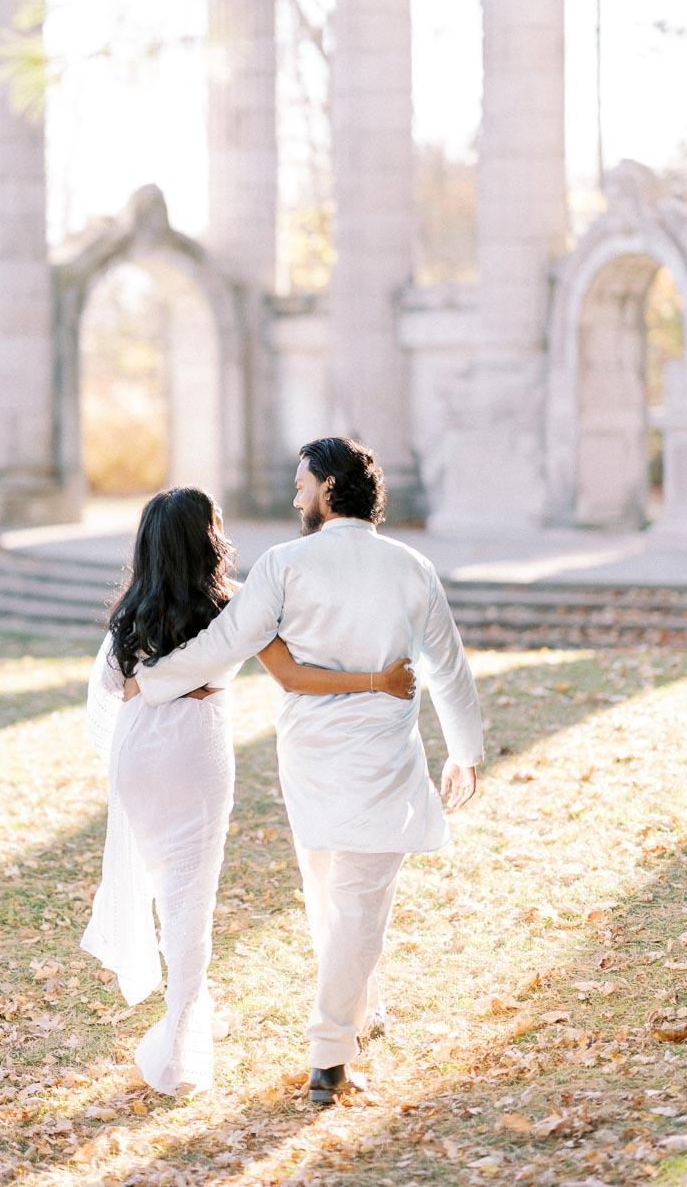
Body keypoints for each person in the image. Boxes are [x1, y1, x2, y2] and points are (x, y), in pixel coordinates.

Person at [133, 439, 484, 1105]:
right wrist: (465, 751)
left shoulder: (285, 564)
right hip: (374, 761)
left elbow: (224, 642)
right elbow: (449, 667)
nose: (295, 497)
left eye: (300, 485)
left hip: (313, 762)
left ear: (327, 487)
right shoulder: (411, 567)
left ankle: (352, 1018)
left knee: (336, 895)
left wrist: (152, 680)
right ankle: (331, 1053)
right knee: (352, 902)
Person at [81, 485, 416, 1098]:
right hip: (195, 756)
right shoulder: (234, 604)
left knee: (165, 888)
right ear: (206, 538)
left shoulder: (131, 610)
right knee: (190, 898)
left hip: (138, 755)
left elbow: (110, 686)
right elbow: (292, 675)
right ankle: (181, 1046)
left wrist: (145, 684)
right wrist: (375, 678)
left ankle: (193, 1011)